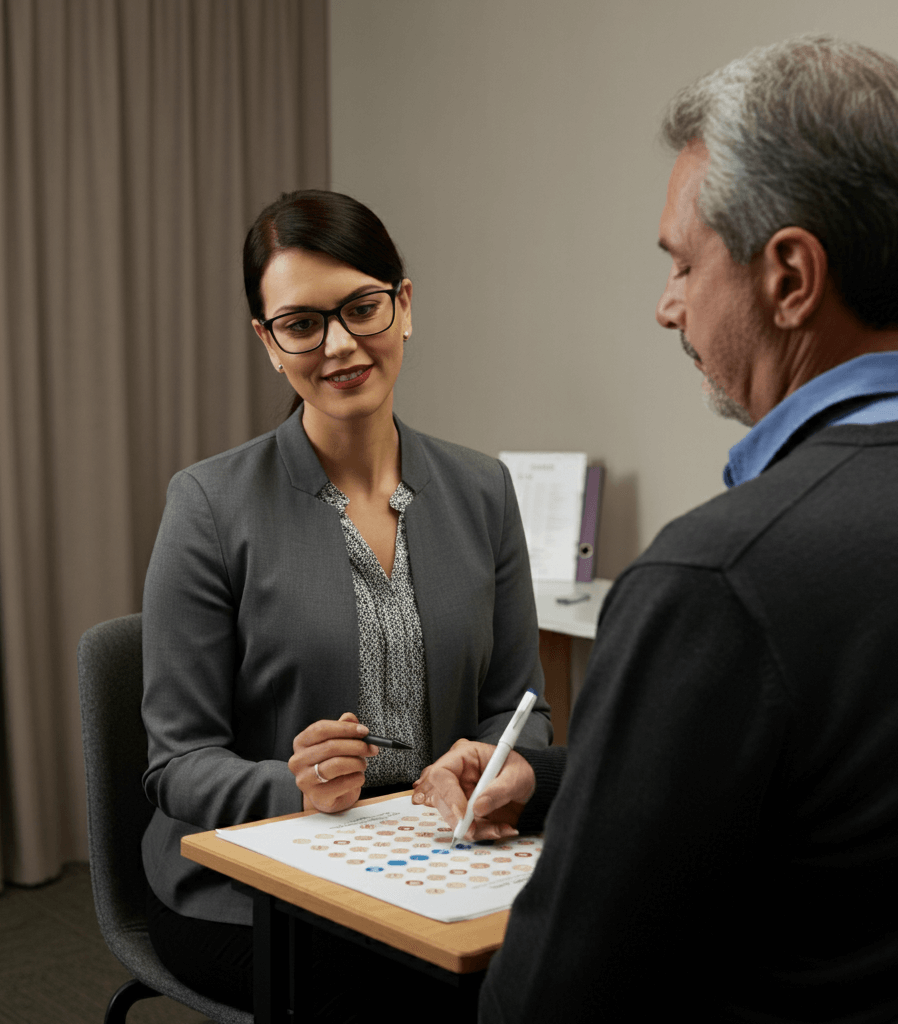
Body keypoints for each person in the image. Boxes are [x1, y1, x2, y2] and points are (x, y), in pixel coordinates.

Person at [416, 35, 898, 1022]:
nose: (664, 306)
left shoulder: (715, 578)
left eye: (681, 263)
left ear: (791, 277)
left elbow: (549, 997)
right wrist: (553, 781)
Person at [139, 189, 552, 1015]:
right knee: (410, 992)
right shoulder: (209, 505)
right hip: (249, 879)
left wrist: (504, 766)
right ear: (268, 342)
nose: (339, 345)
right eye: (301, 324)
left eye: (362, 308)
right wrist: (297, 789)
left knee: (584, 951)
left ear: (404, 306)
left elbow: (523, 708)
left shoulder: (481, 489)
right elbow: (176, 766)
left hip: (435, 855)